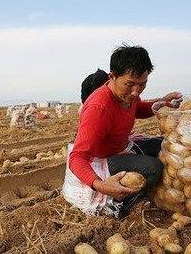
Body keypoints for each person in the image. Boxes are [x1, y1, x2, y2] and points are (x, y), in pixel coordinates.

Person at [67, 45, 182, 217]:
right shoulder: (99, 109)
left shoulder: (127, 96)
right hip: (101, 160)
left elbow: (139, 108)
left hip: (120, 148)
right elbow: (77, 157)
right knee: (153, 168)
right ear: (112, 76)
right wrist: (100, 185)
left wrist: (163, 101)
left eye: (142, 85)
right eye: (129, 84)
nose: (136, 92)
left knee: (165, 146)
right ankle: (120, 205)